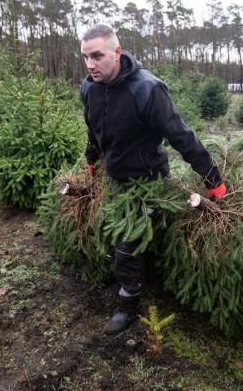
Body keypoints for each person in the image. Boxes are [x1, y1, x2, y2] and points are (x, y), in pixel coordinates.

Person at [79, 23, 227, 335]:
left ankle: (128, 302)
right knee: (114, 231)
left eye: (97, 56)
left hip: (148, 183)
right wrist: (92, 158)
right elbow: (93, 128)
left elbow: (180, 135)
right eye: (85, 57)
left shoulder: (146, 89)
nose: (90, 64)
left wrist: (212, 177)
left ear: (117, 53)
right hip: (115, 178)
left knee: (127, 243)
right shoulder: (89, 89)